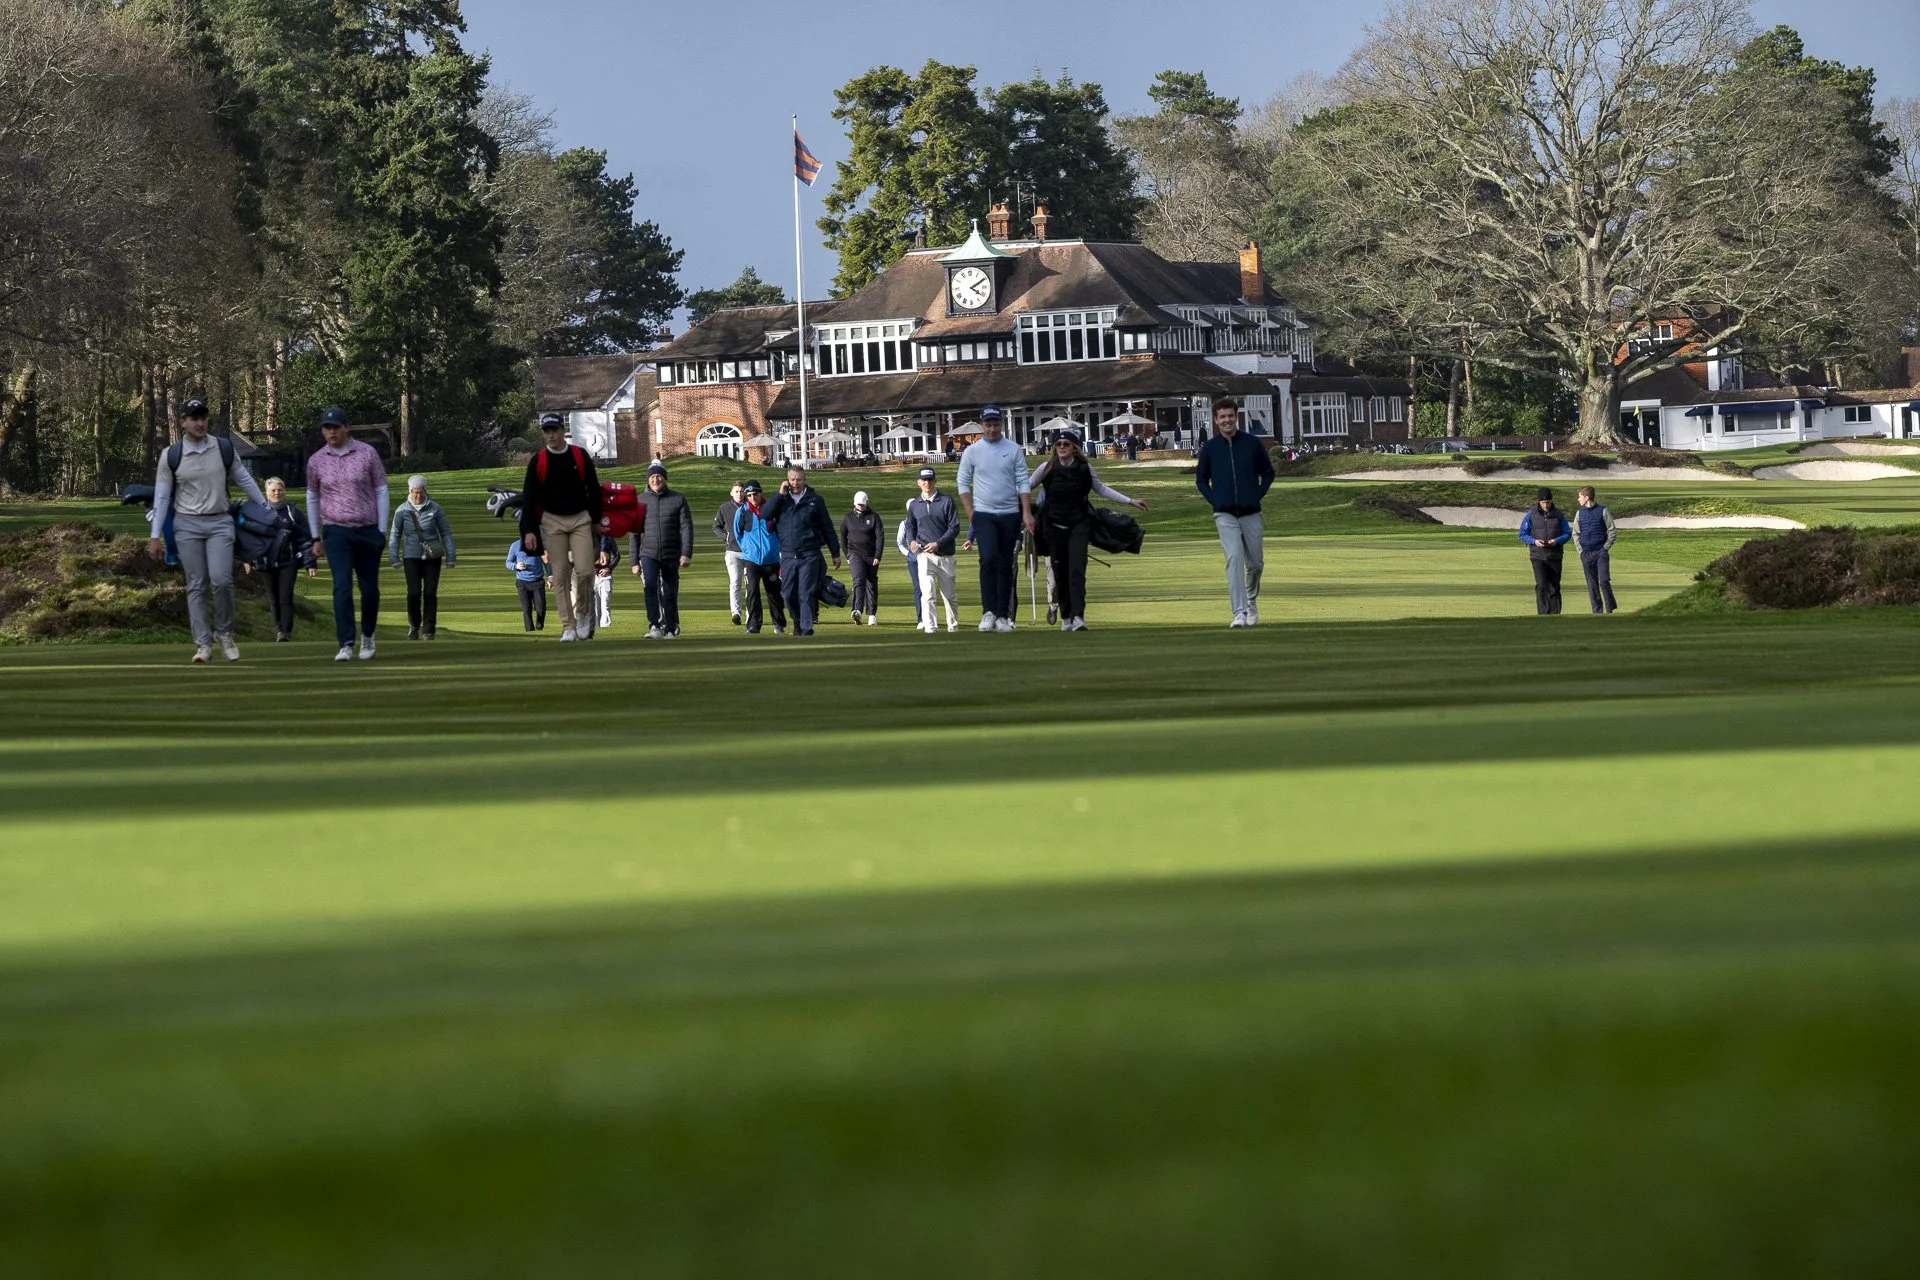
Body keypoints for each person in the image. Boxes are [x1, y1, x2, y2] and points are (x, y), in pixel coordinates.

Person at [146, 397, 267, 663]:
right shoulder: (171, 455)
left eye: (203, 418)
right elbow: (163, 498)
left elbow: (244, 479)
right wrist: (155, 536)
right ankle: (202, 644)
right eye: (194, 418)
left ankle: (224, 633)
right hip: (187, 525)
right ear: (183, 422)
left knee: (222, 579)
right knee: (196, 584)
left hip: (220, 521)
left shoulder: (222, 448)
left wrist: (265, 507)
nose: (200, 423)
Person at [1029, 431, 1147, 632]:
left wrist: (1130, 501)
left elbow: (1101, 489)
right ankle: (1066, 617)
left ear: (1074, 447)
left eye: (1066, 444)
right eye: (1058, 444)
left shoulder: (1085, 468)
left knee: (1077, 571)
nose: (1062, 447)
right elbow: (1025, 487)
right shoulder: (1046, 468)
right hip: (1054, 526)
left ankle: (1078, 617)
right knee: (1060, 573)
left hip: (1079, 524)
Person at [305, 406, 389, 661]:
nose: (331, 432)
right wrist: (315, 536)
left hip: (367, 528)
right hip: (336, 530)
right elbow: (312, 497)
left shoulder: (367, 453)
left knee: (369, 589)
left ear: (346, 428)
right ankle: (346, 643)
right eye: (327, 428)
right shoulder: (316, 461)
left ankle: (368, 636)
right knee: (341, 586)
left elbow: (381, 491)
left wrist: (381, 530)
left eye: (336, 427)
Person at [518, 412, 601, 642]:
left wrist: (596, 520)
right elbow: (529, 499)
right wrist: (529, 531)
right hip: (552, 521)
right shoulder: (538, 461)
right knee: (560, 575)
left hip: (580, 519)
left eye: (554, 430)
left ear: (563, 431)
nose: (551, 435)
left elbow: (593, 490)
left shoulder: (579, 455)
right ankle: (568, 626)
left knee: (585, 571)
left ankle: (583, 615)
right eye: (547, 431)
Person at [1193, 398, 1275, 628]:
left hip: (1250, 512)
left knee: (1256, 564)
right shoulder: (1210, 448)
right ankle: (1239, 613)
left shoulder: (1251, 444)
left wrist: (1255, 495)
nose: (1227, 420)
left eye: (1230, 416)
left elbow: (1268, 474)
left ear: (1236, 417)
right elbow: (1201, 480)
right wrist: (1216, 500)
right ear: (1216, 420)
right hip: (1225, 515)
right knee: (1234, 559)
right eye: (1222, 417)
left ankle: (1250, 601)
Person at [955, 405, 1034, 632]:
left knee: (1005, 564)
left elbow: (1023, 481)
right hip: (984, 515)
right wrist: (971, 513)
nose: (992, 429)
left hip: (1009, 514)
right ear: (982, 425)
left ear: (1001, 424)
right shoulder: (972, 451)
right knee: (988, 559)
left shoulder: (1013, 449)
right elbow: (963, 482)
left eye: (996, 424)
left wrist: (1027, 512)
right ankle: (988, 612)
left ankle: (1002, 615)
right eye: (988, 425)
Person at [761, 464, 840, 636]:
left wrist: (835, 553)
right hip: (788, 555)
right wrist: (779, 495)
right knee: (788, 594)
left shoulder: (815, 500)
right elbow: (765, 514)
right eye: (792, 479)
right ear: (787, 480)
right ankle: (797, 621)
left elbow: (827, 527)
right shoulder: (781, 500)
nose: (795, 483)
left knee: (806, 592)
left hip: (810, 554)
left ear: (804, 480)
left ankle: (806, 628)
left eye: (799, 479)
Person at [628, 461, 693, 639]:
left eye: (659, 476)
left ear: (665, 479)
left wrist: (686, 553)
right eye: (652, 477)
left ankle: (671, 627)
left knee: (670, 591)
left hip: (671, 553)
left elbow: (686, 527)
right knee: (650, 588)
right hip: (648, 553)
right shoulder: (640, 500)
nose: (656, 479)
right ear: (648, 480)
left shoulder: (678, 499)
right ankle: (654, 625)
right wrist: (634, 561)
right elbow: (634, 532)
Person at [388, 475, 456, 641]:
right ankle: (414, 624)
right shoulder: (402, 510)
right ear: (410, 491)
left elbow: (445, 532)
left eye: (420, 492)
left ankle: (429, 629)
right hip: (411, 557)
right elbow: (395, 534)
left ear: (426, 491)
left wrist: (451, 556)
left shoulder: (436, 509)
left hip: (432, 557)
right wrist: (393, 556)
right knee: (414, 593)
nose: (418, 496)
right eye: (415, 492)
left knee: (430, 593)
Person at [258, 476, 316, 642]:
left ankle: (285, 632)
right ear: (267, 493)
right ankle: (278, 628)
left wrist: (310, 563)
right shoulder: (259, 512)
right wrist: (248, 560)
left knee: (285, 597)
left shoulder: (293, 513)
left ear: (284, 491)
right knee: (273, 599)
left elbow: (305, 539)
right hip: (266, 563)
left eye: (279, 490)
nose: (276, 493)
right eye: (273, 491)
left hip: (288, 562)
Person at [906, 466, 960, 634]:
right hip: (924, 556)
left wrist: (938, 543)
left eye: (930, 480)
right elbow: (910, 525)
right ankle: (931, 628)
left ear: (935, 481)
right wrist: (912, 541)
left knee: (949, 596)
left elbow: (954, 528)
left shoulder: (946, 501)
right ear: (918, 482)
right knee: (928, 593)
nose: (927, 483)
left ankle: (953, 626)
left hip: (945, 555)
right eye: (924, 480)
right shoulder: (915, 505)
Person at [731, 479, 787, 635]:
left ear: (760, 493)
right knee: (752, 592)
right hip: (752, 560)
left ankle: (779, 624)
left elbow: (780, 531)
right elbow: (738, 533)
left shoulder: (771, 509)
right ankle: (753, 626)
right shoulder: (742, 512)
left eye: (755, 494)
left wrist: (775, 549)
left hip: (771, 560)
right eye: (748, 495)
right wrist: (748, 549)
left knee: (774, 594)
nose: (752, 497)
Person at [1519, 487, 1572, 615]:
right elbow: (1522, 534)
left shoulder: (1559, 515)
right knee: (1542, 585)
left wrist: (1556, 541)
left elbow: (1567, 533)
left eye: (1548, 502)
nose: (1546, 505)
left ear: (1551, 501)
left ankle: (1555, 614)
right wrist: (1534, 541)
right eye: (1543, 503)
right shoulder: (1531, 515)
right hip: (1537, 555)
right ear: (1539, 502)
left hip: (1555, 555)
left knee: (1554, 586)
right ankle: (1543, 614)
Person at [1573, 485, 1618, 614]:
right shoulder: (1579, 513)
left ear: (1587, 497)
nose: (1578, 499)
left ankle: (1610, 609)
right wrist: (1580, 551)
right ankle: (1597, 611)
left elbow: (1612, 531)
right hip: (1586, 553)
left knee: (1604, 581)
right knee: (1592, 585)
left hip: (1600, 552)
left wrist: (1605, 548)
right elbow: (1575, 533)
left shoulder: (1603, 510)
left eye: (1580, 496)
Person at [840, 490, 883, 625]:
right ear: (854, 504)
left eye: (863, 505)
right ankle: (857, 611)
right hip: (854, 554)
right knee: (858, 580)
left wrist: (878, 555)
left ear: (867, 503)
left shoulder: (874, 517)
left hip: (871, 555)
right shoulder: (848, 518)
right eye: (859, 505)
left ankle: (872, 614)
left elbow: (880, 537)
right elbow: (842, 535)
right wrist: (847, 553)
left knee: (871, 583)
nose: (861, 507)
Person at [713, 481, 747, 626]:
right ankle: (736, 612)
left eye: (741, 491)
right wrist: (726, 537)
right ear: (731, 493)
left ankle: (750, 613)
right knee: (735, 582)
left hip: (749, 552)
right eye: (737, 491)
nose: (739, 494)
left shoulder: (749, 507)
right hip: (732, 552)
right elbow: (716, 526)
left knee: (750, 584)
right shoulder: (724, 508)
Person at [507, 535, 547, 632]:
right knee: (526, 608)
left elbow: (546, 562)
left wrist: (551, 577)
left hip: (538, 581)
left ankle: (539, 624)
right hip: (522, 583)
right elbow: (508, 562)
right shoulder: (515, 546)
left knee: (541, 608)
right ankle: (529, 630)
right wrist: (516, 566)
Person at [896, 503, 922, 626]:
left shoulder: (924, 521)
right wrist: (908, 554)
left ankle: (930, 618)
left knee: (929, 588)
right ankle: (921, 619)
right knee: (918, 587)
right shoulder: (904, 524)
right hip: (913, 561)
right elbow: (899, 542)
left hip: (927, 558)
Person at [594, 532, 621, 630]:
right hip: (591, 576)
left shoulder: (608, 537)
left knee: (605, 603)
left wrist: (609, 568)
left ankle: (605, 627)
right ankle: (596, 628)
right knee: (594, 606)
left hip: (605, 576)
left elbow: (617, 555)